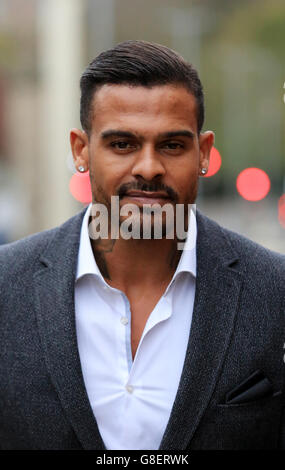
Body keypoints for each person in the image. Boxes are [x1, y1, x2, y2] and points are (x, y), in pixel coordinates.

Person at [0, 40, 284, 451]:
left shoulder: (274, 291)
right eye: (122, 144)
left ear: (203, 152)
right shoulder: (7, 287)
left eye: (172, 145)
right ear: (81, 150)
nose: (149, 167)